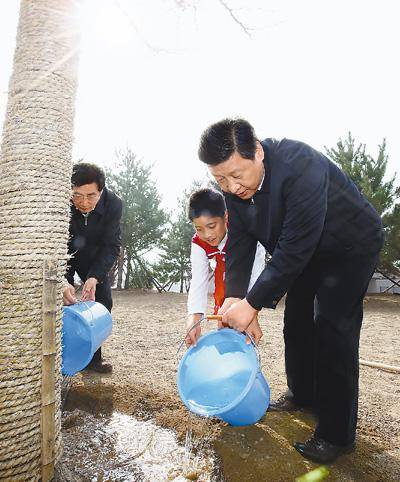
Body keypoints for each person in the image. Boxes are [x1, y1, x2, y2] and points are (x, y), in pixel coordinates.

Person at [197, 118, 383, 464]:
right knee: (296, 321)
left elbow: (296, 246)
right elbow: (240, 241)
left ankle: (336, 435)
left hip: (349, 246)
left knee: (332, 327)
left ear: (257, 152)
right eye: (220, 179)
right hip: (306, 251)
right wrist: (234, 298)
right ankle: (303, 394)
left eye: (237, 174)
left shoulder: (301, 165)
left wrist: (252, 305)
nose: (231, 186)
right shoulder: (233, 191)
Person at [186, 187, 266, 347]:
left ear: (226, 217)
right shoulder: (199, 243)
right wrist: (194, 316)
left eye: (212, 226)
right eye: (199, 228)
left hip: (246, 291)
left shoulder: (245, 235)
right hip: (222, 289)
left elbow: (256, 274)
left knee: (243, 335)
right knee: (224, 329)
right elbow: (199, 280)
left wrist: (251, 311)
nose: (207, 234)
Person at [63, 163, 122, 373]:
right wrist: (65, 279)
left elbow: (112, 245)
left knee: (103, 302)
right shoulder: (62, 202)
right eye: (77, 195)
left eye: (91, 196)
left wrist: (95, 276)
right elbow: (58, 243)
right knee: (63, 299)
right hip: (67, 254)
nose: (84, 202)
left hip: (97, 257)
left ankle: (92, 359)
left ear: (101, 191)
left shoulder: (114, 204)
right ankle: (65, 354)